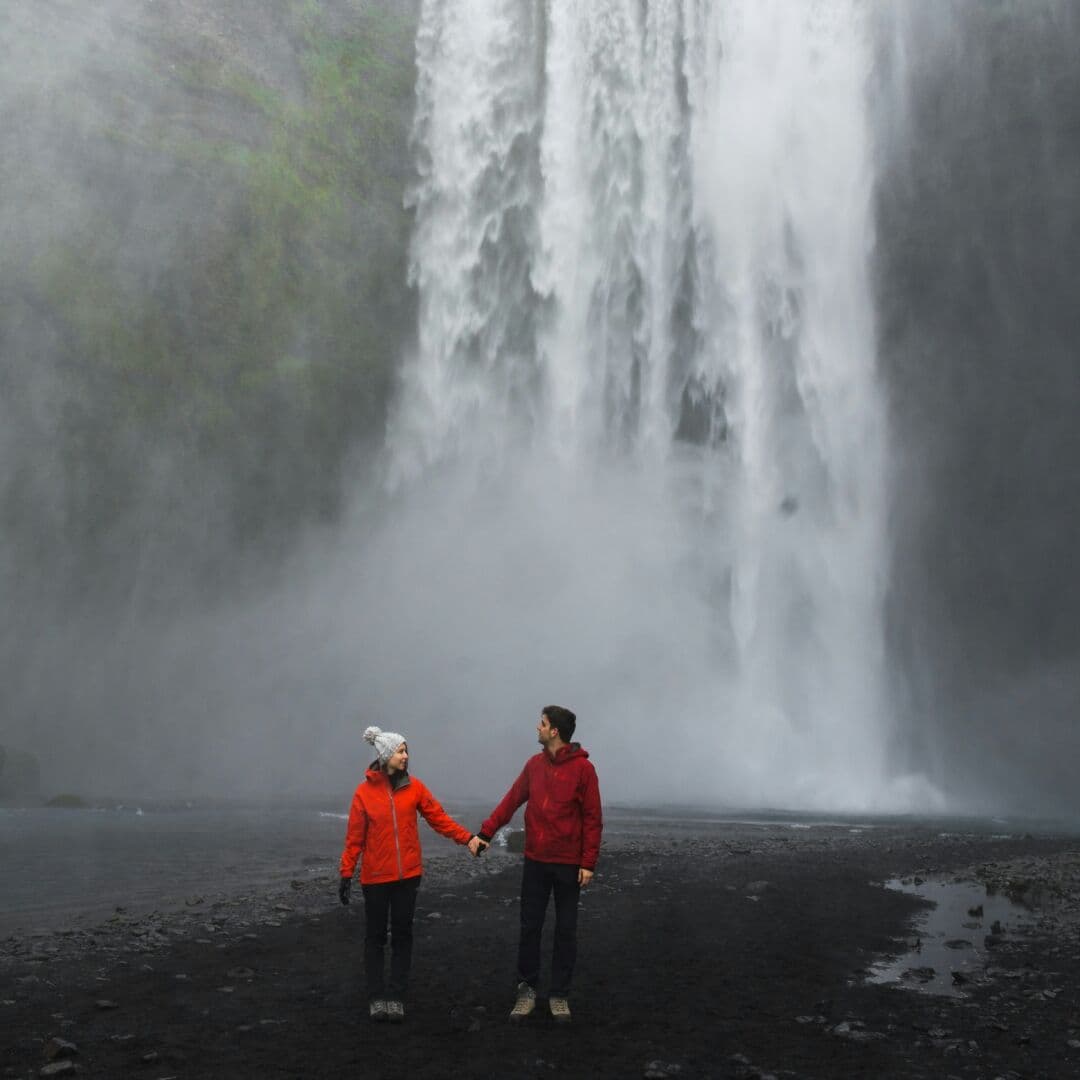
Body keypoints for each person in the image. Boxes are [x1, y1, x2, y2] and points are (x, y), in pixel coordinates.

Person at [469, 705, 602, 1024]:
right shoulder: (533, 766)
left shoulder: (584, 771)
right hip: (536, 862)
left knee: (566, 930)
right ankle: (526, 991)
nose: (537, 728)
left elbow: (593, 819)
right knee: (530, 927)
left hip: (568, 864)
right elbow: (511, 800)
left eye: (542, 724)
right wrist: (486, 832)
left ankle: (559, 995)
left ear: (555, 731)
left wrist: (588, 862)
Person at [339, 725, 480, 1023]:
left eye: (406, 751)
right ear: (387, 755)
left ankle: (397, 996)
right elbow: (354, 838)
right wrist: (346, 873)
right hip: (375, 879)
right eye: (401, 751)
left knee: (402, 936)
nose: (406, 757)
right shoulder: (363, 794)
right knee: (375, 937)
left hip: (407, 878)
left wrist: (467, 838)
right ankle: (377, 997)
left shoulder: (414, 788)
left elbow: (438, 818)